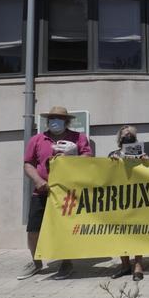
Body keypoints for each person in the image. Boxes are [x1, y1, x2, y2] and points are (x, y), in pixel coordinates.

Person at [18, 106, 93, 280]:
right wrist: (38, 181)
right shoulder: (37, 139)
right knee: (33, 230)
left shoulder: (79, 138)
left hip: (68, 193)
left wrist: (74, 154)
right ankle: (36, 262)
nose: (54, 121)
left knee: (66, 229)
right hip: (42, 192)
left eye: (59, 118)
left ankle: (67, 263)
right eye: (51, 118)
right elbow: (28, 164)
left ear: (67, 121)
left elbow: (89, 160)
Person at [108, 125, 149, 281]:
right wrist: (111, 162)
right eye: (125, 134)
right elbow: (106, 174)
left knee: (137, 232)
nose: (128, 136)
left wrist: (146, 162)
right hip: (119, 198)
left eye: (131, 134)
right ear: (120, 138)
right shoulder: (113, 154)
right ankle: (125, 265)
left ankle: (138, 265)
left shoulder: (141, 153)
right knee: (120, 233)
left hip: (137, 198)